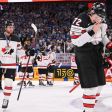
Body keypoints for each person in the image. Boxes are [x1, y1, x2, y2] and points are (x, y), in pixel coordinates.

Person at [70, 3, 112, 112]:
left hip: (96, 53)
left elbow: (103, 36)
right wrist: (92, 31)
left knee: (100, 84)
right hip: (84, 53)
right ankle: (88, 109)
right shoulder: (80, 20)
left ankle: (91, 103)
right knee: (91, 87)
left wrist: (109, 45)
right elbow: (76, 41)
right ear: (92, 12)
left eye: (101, 18)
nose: (99, 20)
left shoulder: (102, 21)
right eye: (97, 17)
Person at [0, 20, 21, 109]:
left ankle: (6, 99)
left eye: (12, 27)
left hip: (11, 65)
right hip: (0, 63)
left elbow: (20, 52)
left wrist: (27, 53)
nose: (11, 29)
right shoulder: (0, 36)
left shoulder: (16, 38)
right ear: (5, 27)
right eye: (9, 27)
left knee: (9, 83)